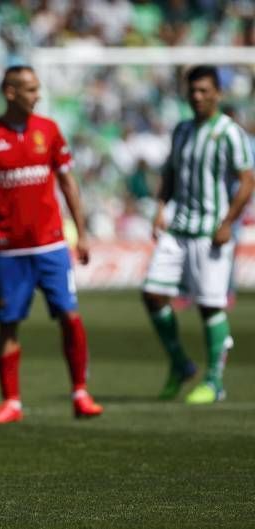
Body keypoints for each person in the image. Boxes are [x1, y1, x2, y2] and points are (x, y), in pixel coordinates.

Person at [0, 65, 103, 424]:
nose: (37, 95)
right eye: (29, 89)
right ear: (10, 92)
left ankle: (80, 392)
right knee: (8, 324)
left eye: (37, 88)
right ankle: (11, 402)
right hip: (10, 251)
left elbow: (68, 183)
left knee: (70, 316)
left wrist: (82, 231)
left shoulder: (50, 131)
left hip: (51, 246)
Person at [142, 65, 254, 404]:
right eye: (193, 91)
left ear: (217, 93)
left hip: (210, 232)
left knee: (209, 306)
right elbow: (170, 174)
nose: (198, 96)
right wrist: (161, 207)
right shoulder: (182, 131)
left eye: (204, 90)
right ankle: (180, 364)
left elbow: (247, 180)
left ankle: (214, 381)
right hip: (179, 230)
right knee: (152, 293)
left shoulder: (229, 132)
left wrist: (226, 223)